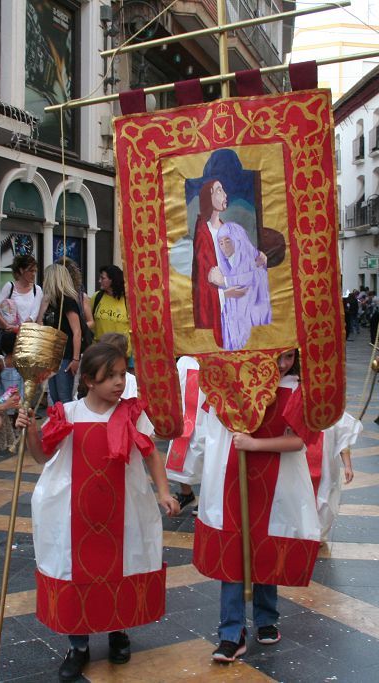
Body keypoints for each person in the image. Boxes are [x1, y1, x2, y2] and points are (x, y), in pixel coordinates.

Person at [15, 342, 179, 682]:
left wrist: (163, 491)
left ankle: (118, 632)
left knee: (119, 568)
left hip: (123, 510)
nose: (119, 383)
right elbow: (42, 456)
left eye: (122, 375)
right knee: (77, 574)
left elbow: (150, 454)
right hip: (76, 513)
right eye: (110, 377)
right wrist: (31, 429)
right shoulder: (69, 414)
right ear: (89, 380)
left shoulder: (132, 414)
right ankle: (78, 645)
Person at [194, 349, 322, 663]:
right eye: (276, 356)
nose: (282, 364)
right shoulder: (230, 384)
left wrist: (254, 444)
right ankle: (230, 632)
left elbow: (299, 441)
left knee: (267, 548)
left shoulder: (297, 388)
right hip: (233, 479)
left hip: (277, 482)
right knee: (233, 550)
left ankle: (266, 618)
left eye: (289, 357)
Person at [191, 180, 267, 348]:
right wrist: (224, 295)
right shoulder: (203, 232)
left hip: (235, 302)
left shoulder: (226, 228)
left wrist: (255, 262)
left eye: (223, 190)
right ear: (208, 196)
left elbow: (237, 262)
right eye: (219, 191)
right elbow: (204, 280)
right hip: (221, 305)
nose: (225, 195)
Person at [211, 223, 272, 350]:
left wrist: (225, 281)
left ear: (237, 240)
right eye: (220, 243)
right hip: (233, 329)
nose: (224, 247)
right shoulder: (226, 266)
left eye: (227, 241)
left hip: (253, 328)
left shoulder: (253, 261)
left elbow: (250, 279)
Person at [165, 356, 205, 513]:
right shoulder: (183, 362)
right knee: (181, 450)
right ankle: (186, 493)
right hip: (185, 415)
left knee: (209, 453)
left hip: (207, 414)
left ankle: (208, 499)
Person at [39, 263, 83, 405]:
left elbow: (77, 331)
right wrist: (43, 306)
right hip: (52, 355)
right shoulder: (50, 302)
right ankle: (58, 425)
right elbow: (40, 324)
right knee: (55, 396)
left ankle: (68, 426)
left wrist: (75, 359)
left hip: (65, 356)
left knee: (64, 397)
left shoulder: (68, 301)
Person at [315, 413, 360, 542]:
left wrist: (348, 466)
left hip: (327, 466)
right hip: (305, 463)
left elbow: (343, 441)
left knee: (326, 497)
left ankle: (319, 534)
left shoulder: (333, 412)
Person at [0, 254, 42, 337]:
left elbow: (33, 316)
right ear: (21, 270)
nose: (33, 274)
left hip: (28, 337)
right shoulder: (10, 286)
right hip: (9, 336)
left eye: (35, 271)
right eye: (31, 271)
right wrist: (7, 326)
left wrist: (18, 329)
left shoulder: (37, 290)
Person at [91, 265, 131, 355]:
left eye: (103, 278)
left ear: (113, 280)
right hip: (99, 352)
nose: (99, 281)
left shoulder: (127, 300)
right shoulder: (97, 297)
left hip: (121, 353)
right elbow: (90, 321)